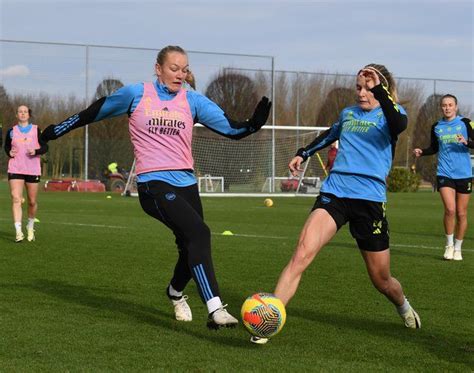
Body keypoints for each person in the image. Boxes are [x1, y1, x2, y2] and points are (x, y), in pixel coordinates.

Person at [40, 45, 271, 329]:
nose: (180, 74)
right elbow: (91, 113)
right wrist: (51, 133)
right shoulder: (135, 94)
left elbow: (233, 129)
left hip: (187, 183)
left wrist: (254, 124)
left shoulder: (193, 100)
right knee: (200, 232)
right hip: (153, 183)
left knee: (190, 247)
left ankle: (175, 292)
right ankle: (215, 309)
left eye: (184, 69)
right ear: (158, 68)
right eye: (174, 68)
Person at [252, 64, 420, 344]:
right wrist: (302, 153)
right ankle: (269, 320)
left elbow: (399, 124)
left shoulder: (392, 115)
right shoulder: (348, 114)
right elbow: (329, 136)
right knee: (301, 255)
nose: (362, 93)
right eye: (358, 87)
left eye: (368, 88)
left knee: (382, 280)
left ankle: (402, 304)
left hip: (369, 201)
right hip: (336, 193)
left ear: (383, 89)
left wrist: (379, 87)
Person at [413, 94, 473, 261]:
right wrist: (422, 152)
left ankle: (458, 248)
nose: (447, 107)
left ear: (456, 107)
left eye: (450, 105)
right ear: (441, 107)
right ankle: (449, 245)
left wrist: (466, 142)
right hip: (444, 173)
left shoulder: (466, 123)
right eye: (444, 105)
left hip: (464, 174)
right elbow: (434, 148)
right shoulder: (436, 126)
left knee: (461, 213)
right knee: (450, 209)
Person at [4, 105, 48, 242]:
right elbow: (6, 146)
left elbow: (45, 147)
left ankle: (30, 226)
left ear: (29, 115)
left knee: (32, 202)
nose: (22, 114)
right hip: (15, 168)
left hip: (32, 169)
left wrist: (36, 151)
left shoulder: (37, 130)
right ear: (17, 115)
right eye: (20, 112)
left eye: (25, 112)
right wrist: (8, 152)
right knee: (16, 199)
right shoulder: (11, 131)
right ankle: (18, 232)